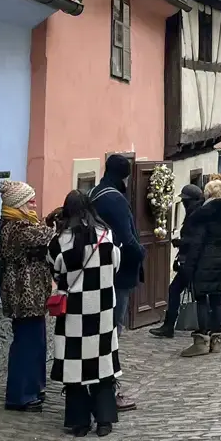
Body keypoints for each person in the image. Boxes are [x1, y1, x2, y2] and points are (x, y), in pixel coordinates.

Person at [48, 191, 121, 437]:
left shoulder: (59, 242)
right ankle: (104, 420)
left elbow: (56, 273)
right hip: (102, 309)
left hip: (73, 313)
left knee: (75, 367)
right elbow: (115, 266)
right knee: (102, 364)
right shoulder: (106, 235)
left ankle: (79, 422)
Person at [88, 154, 145, 410]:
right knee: (112, 331)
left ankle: (98, 385)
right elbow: (126, 237)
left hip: (101, 272)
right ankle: (107, 389)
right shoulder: (114, 198)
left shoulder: (96, 192)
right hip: (118, 273)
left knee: (104, 330)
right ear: (126, 174)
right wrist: (141, 253)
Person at [0, 180, 55, 413]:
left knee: (36, 343)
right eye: (30, 200)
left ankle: (34, 388)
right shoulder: (16, 229)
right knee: (26, 345)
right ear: (18, 204)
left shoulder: (15, 223)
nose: (34, 203)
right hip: (23, 295)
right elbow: (47, 236)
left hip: (31, 296)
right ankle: (20, 396)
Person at [179, 179, 221, 356]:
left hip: (203, 259)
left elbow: (196, 243)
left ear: (207, 193)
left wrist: (189, 266)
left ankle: (202, 339)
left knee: (201, 298)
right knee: (217, 299)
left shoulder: (203, 213)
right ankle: (216, 339)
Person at [149, 184, 205, 339]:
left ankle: (172, 326)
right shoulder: (196, 213)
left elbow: (196, 240)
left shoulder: (196, 215)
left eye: (186, 200)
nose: (185, 203)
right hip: (190, 260)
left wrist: (181, 243)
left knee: (178, 291)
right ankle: (199, 327)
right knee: (190, 293)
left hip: (192, 262)